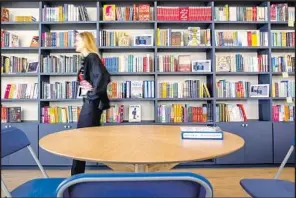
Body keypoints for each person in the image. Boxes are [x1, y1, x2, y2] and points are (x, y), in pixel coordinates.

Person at [71, 31, 111, 176]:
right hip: (90, 103)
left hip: (92, 105)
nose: (75, 43)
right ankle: (76, 177)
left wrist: (91, 95)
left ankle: (75, 178)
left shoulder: (92, 57)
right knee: (86, 140)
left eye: (77, 41)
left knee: (80, 141)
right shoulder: (87, 59)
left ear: (85, 42)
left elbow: (104, 78)